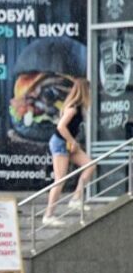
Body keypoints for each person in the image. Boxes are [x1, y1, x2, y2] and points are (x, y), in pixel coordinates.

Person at [43, 78, 94, 227]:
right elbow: (61, 127)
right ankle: (48, 215)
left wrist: (72, 142)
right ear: (84, 91)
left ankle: (76, 199)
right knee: (60, 179)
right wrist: (72, 141)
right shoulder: (72, 108)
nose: (91, 93)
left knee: (90, 165)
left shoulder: (78, 107)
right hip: (60, 142)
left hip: (67, 143)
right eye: (89, 90)